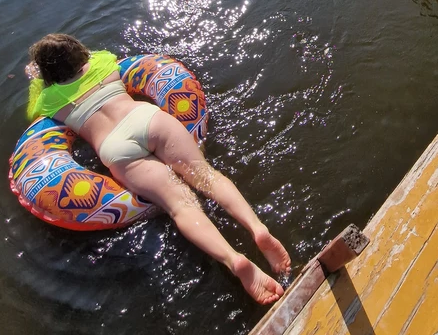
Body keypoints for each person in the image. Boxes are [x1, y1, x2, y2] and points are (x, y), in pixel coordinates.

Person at [26, 34, 291, 305]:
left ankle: (234, 261)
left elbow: (34, 106)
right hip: (146, 119)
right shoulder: (102, 62)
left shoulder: (48, 100)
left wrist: (35, 76)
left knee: (180, 206)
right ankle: (257, 228)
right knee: (209, 177)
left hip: (114, 147)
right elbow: (92, 58)